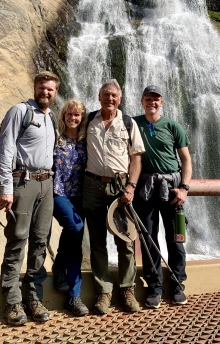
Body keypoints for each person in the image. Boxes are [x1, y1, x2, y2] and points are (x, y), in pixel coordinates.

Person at [0, 71, 60, 326]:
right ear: (35, 88)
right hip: (23, 182)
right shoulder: (19, 111)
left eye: (50, 89)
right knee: (17, 240)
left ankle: (34, 297)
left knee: (40, 242)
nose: (46, 92)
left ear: (55, 93)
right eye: (42, 87)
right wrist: (6, 188)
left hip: (47, 184)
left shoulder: (51, 116)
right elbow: (5, 148)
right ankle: (12, 300)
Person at [83, 79, 145, 315]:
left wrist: (131, 186)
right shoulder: (88, 120)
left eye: (114, 96)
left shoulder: (128, 123)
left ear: (120, 99)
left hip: (121, 188)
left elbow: (136, 158)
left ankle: (128, 289)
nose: (110, 99)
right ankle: (103, 292)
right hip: (92, 186)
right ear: (99, 97)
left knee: (126, 240)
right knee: (97, 242)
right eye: (106, 95)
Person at [133, 85, 192, 309]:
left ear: (162, 102)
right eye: (148, 98)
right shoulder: (134, 124)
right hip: (145, 188)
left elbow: (186, 159)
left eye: (156, 99)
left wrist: (184, 187)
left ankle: (177, 284)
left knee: (176, 237)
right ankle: (155, 286)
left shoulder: (172, 126)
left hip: (172, 187)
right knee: (148, 238)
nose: (152, 102)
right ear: (142, 101)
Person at [52, 99, 89, 316]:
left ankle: (74, 297)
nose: (73, 118)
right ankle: (58, 265)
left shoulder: (86, 141)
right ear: (63, 115)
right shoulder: (55, 139)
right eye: (69, 114)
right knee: (75, 227)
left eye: (77, 115)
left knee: (76, 244)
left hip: (80, 195)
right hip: (57, 192)